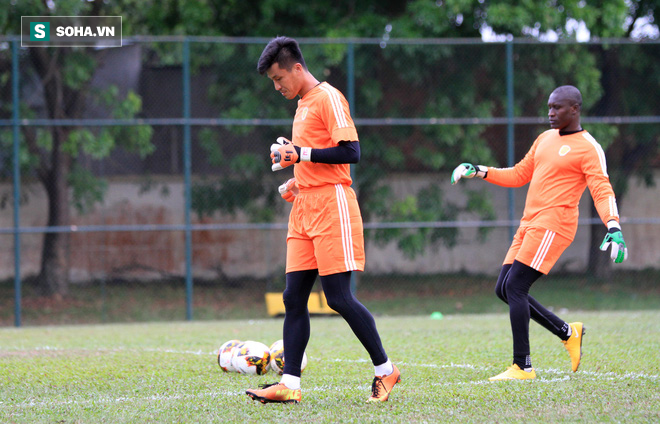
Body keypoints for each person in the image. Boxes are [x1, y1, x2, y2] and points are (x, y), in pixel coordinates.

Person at [245, 36, 400, 403]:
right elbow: (312, 158)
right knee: (293, 297)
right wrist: (296, 180)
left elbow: (351, 152)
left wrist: (299, 153)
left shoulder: (328, 97)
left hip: (333, 207)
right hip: (305, 209)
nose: (277, 86)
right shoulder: (301, 106)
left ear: (297, 68)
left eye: (279, 78)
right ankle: (290, 386)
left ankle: (386, 370)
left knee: (338, 298)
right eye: (272, 82)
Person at [451, 85, 628, 381]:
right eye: (549, 107)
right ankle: (567, 332)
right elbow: (519, 174)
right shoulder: (545, 139)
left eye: (557, 108)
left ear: (575, 109)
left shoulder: (589, 147)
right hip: (529, 222)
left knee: (517, 287)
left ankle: (523, 366)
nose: (550, 113)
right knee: (503, 289)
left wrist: (613, 225)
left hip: (554, 225)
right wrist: (480, 170)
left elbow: (601, 188)